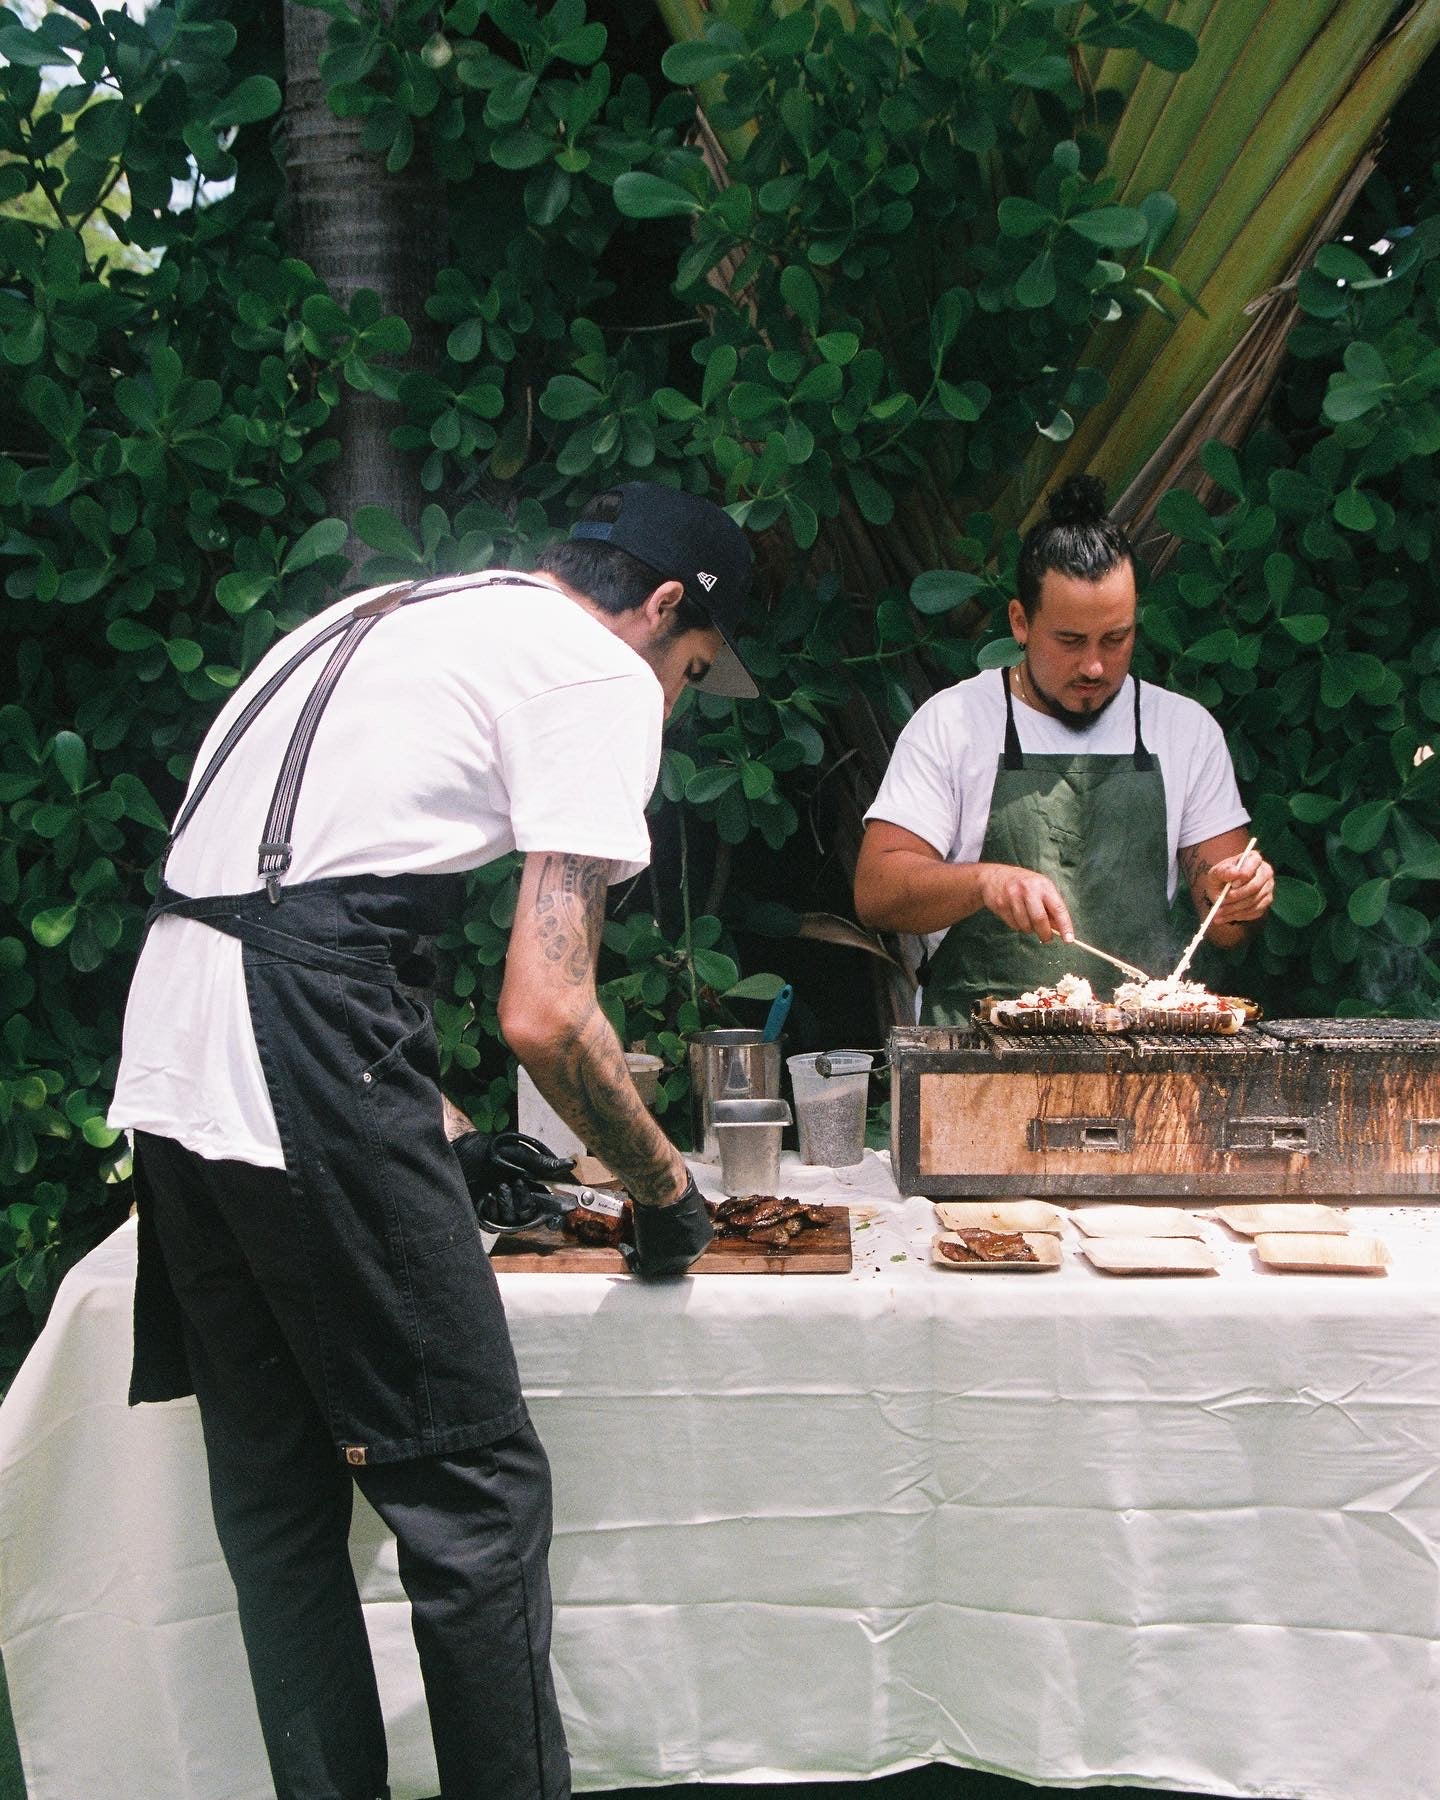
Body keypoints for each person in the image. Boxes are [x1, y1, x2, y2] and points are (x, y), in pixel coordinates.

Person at [108, 481, 758, 1800]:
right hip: (291, 1045)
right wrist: (664, 1191)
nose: (677, 703)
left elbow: (281, 914)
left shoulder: (388, 616)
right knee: (478, 1507)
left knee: (282, 1510)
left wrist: (447, 1136)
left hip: (174, 1052)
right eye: (693, 673)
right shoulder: (599, 676)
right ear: (665, 608)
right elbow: (547, 1008)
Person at [853, 475, 1274, 1023]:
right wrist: (986, 881)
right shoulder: (954, 723)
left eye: (1116, 639)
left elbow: (1225, 929)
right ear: (1021, 622)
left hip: (1140, 1061)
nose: (1095, 667)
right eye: (1071, 641)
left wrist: (1236, 896)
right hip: (973, 1061)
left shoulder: (1185, 730)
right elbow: (876, 891)